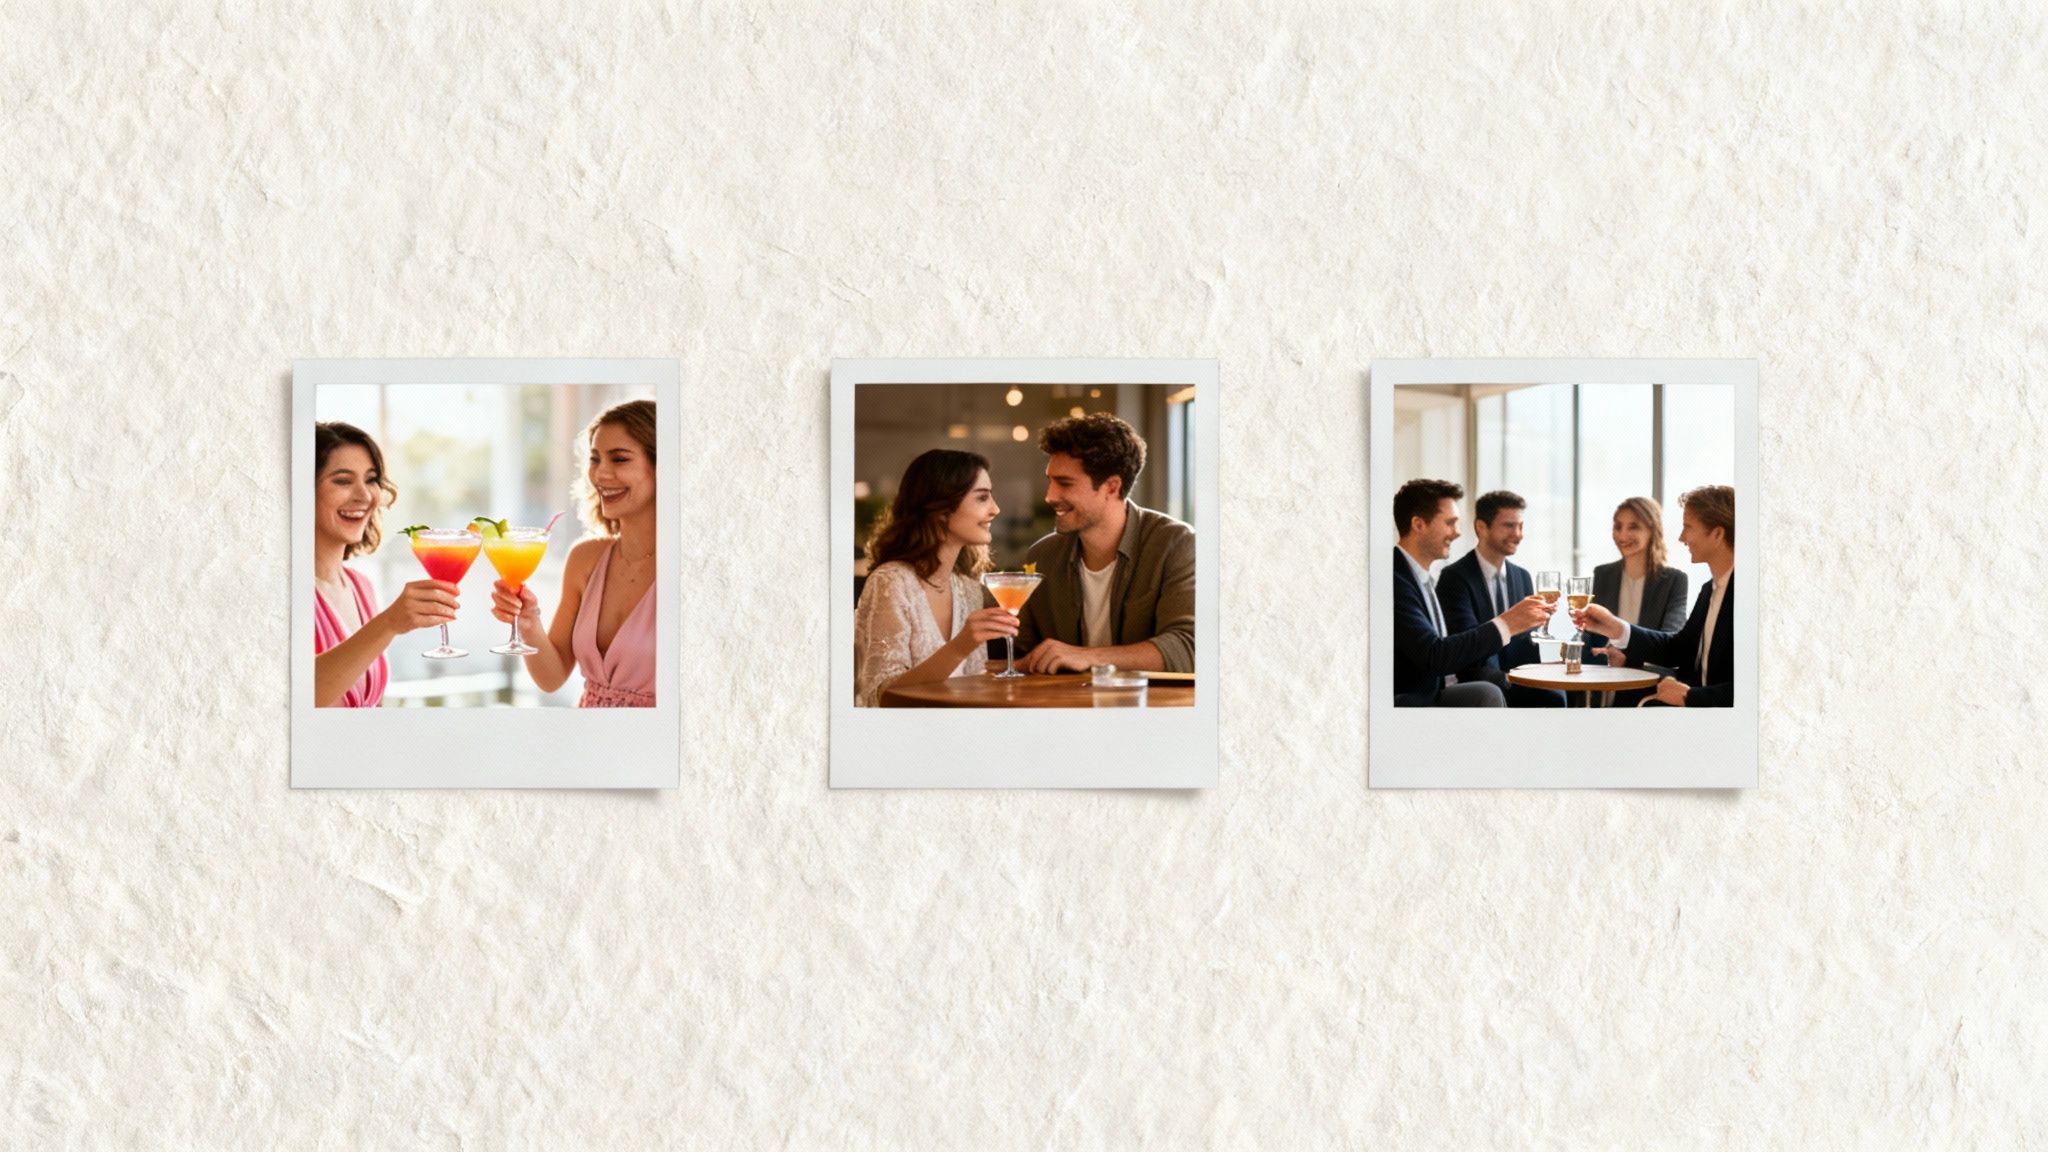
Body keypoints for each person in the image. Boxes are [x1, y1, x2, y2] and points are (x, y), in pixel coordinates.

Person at [490, 399, 657, 707]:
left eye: (619, 459)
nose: (600, 474)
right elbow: (551, 677)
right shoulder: (585, 559)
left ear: (662, 468)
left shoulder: (689, 570)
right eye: (595, 459)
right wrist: (528, 622)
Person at [1012, 413, 1194, 675]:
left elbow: (1188, 648)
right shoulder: (1042, 556)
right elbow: (1021, 650)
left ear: (1112, 486)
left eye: (1065, 483)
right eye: (1050, 481)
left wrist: (1088, 657)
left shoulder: (1176, 544)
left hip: (1147, 700)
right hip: (1065, 699)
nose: (1050, 496)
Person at [852, 449, 1021, 706]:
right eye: (982, 497)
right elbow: (882, 696)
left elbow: (973, 683)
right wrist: (962, 644)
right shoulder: (892, 582)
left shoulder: (968, 589)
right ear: (941, 510)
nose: (995, 509)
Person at [312, 422, 461, 708]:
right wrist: (390, 623)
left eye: (371, 480)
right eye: (343, 481)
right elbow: (298, 695)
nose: (365, 496)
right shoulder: (288, 587)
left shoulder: (361, 587)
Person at [1391, 479, 1553, 707]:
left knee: (1549, 694)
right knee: (1488, 692)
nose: (1457, 532)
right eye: (1450, 523)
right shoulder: (1394, 580)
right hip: (1415, 698)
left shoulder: (1421, 577)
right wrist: (1507, 623)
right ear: (1418, 524)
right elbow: (1434, 655)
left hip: (1441, 688)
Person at [1572, 485, 1735, 708]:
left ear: (1717, 534)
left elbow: (1756, 686)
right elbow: (1679, 649)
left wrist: (1690, 696)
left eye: (1688, 527)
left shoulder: (1746, 596)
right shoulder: (1711, 589)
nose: (1681, 537)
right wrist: (1617, 629)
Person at [1436, 490, 1564, 707]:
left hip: (1519, 678)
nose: (1518, 534)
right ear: (1481, 527)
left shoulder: (1522, 576)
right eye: (1509, 526)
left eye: (1520, 526)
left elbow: (1527, 641)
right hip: (1479, 682)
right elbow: (1466, 650)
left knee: (1558, 692)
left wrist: (1553, 658)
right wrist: (1508, 678)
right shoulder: (1454, 578)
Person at [1581, 496, 1690, 704]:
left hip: (1646, 683)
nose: (1622, 535)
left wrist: (1628, 659)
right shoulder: (1603, 574)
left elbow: (1671, 638)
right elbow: (1591, 634)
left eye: (1633, 527)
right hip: (1604, 675)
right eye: (1618, 526)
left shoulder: (1674, 580)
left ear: (1652, 530)